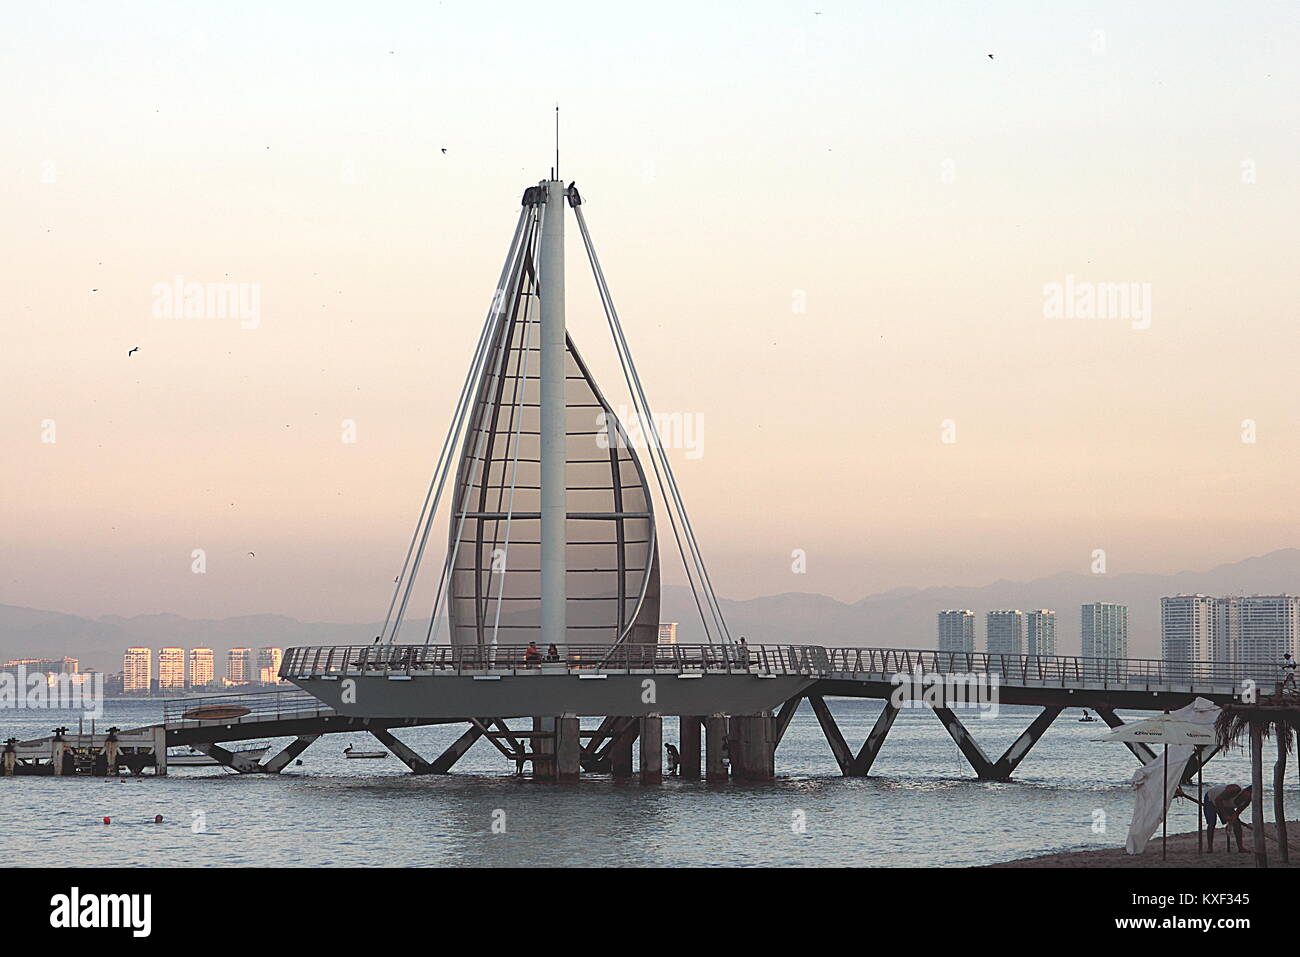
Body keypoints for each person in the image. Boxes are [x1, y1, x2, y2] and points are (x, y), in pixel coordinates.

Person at [1204, 783, 1251, 852]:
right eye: (1249, 795)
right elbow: (1218, 800)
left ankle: (1240, 848)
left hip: (1225, 804)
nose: (1248, 798)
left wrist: (1232, 819)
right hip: (1211, 798)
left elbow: (1236, 813)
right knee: (1212, 822)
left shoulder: (1247, 800)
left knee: (1236, 823)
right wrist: (1225, 815)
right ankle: (1210, 848)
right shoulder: (1235, 789)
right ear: (1245, 791)